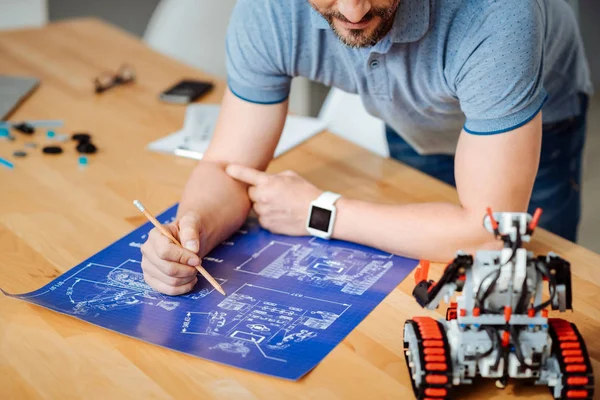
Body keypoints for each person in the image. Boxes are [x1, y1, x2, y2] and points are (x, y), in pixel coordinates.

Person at [140, 0, 593, 295]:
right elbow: (226, 165)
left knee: (531, 288)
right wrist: (190, 228)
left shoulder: (499, 12)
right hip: (415, 115)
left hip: (535, 119)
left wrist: (321, 211)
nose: (354, 10)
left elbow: (489, 233)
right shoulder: (270, 8)